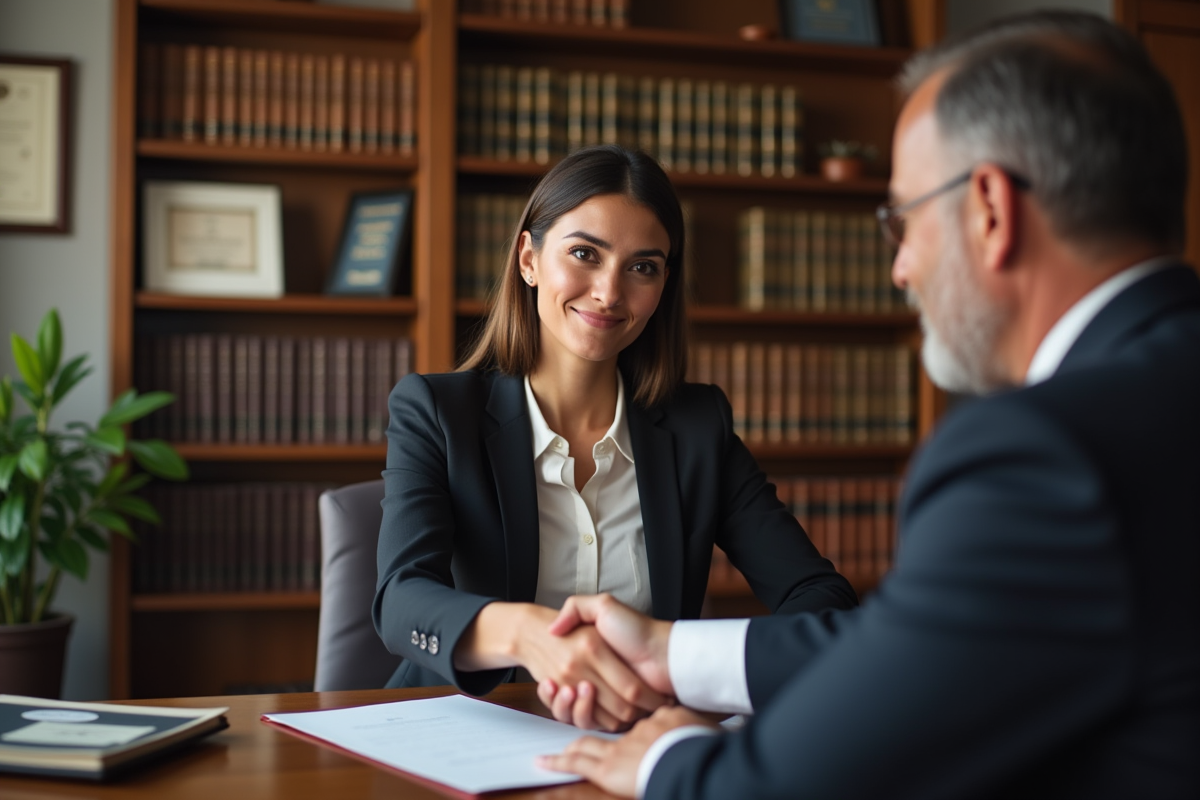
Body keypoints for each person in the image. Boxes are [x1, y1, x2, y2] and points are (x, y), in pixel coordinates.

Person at [537, 12, 1200, 797]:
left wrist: (664, 759)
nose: (902, 269)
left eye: (904, 221)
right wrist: (669, 653)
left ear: (989, 208)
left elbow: (800, 782)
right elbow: (942, 651)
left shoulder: (1043, 455)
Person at [372, 144, 858, 731]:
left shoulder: (696, 428)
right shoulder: (437, 410)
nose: (609, 292)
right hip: (460, 729)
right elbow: (400, 600)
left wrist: (684, 666)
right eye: (584, 253)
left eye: (643, 267)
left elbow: (820, 598)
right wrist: (529, 636)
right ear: (529, 258)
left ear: (663, 286)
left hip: (634, 745)